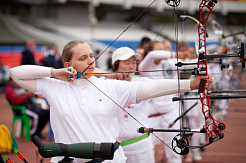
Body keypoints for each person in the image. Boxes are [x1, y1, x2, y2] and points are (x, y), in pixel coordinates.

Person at [9, 40, 214, 163]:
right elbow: (16, 74)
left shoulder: (111, 87)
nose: (90, 61)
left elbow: (151, 87)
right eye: (83, 58)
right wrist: (54, 72)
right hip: (65, 159)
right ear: (68, 64)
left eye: (91, 56)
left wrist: (192, 84)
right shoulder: (54, 87)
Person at [112, 47, 155, 163]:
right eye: (127, 63)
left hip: (141, 148)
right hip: (114, 149)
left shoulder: (142, 82)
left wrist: (193, 84)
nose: (131, 66)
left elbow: (164, 86)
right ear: (115, 65)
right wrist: (112, 76)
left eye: (133, 63)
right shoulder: (105, 84)